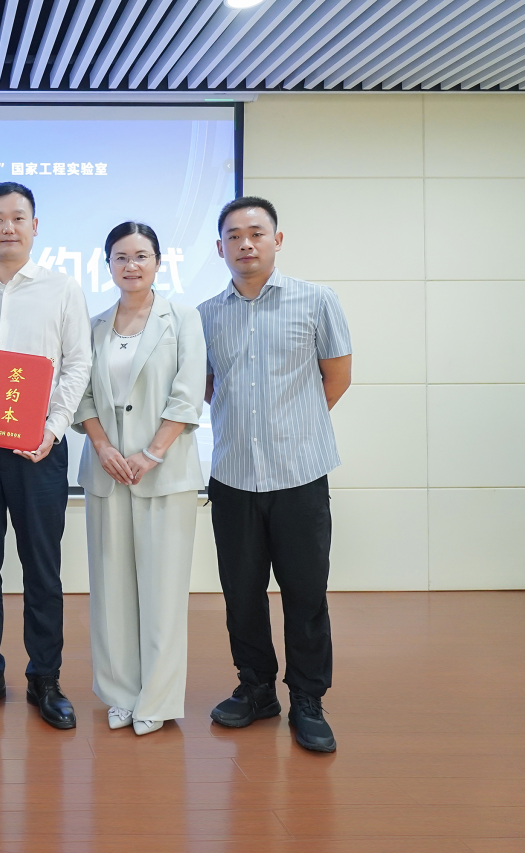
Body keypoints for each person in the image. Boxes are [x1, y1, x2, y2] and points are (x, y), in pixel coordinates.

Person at [199, 196, 352, 754]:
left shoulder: (317, 300)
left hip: (300, 474)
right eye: (233, 236)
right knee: (241, 593)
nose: (245, 243)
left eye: (256, 233)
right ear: (219, 247)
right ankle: (257, 688)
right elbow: (206, 387)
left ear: (277, 240)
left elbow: (337, 377)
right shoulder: (205, 315)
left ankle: (308, 698)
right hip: (234, 476)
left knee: (305, 593)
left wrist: (293, 429)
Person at [0, 182, 92, 730]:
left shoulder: (62, 289)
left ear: (35, 226)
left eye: (18, 217)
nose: (8, 227)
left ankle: (45, 678)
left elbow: (78, 363)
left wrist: (53, 429)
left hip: (40, 449)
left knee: (42, 568)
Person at [72, 222, 206, 736]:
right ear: (108, 264)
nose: (131, 265)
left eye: (142, 256)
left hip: (164, 473)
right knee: (111, 591)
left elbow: (188, 393)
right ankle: (120, 693)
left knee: (163, 592)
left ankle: (158, 698)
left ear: (158, 262)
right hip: (107, 473)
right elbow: (81, 395)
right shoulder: (95, 325)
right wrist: (103, 447)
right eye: (121, 257)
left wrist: (151, 453)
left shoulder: (183, 318)